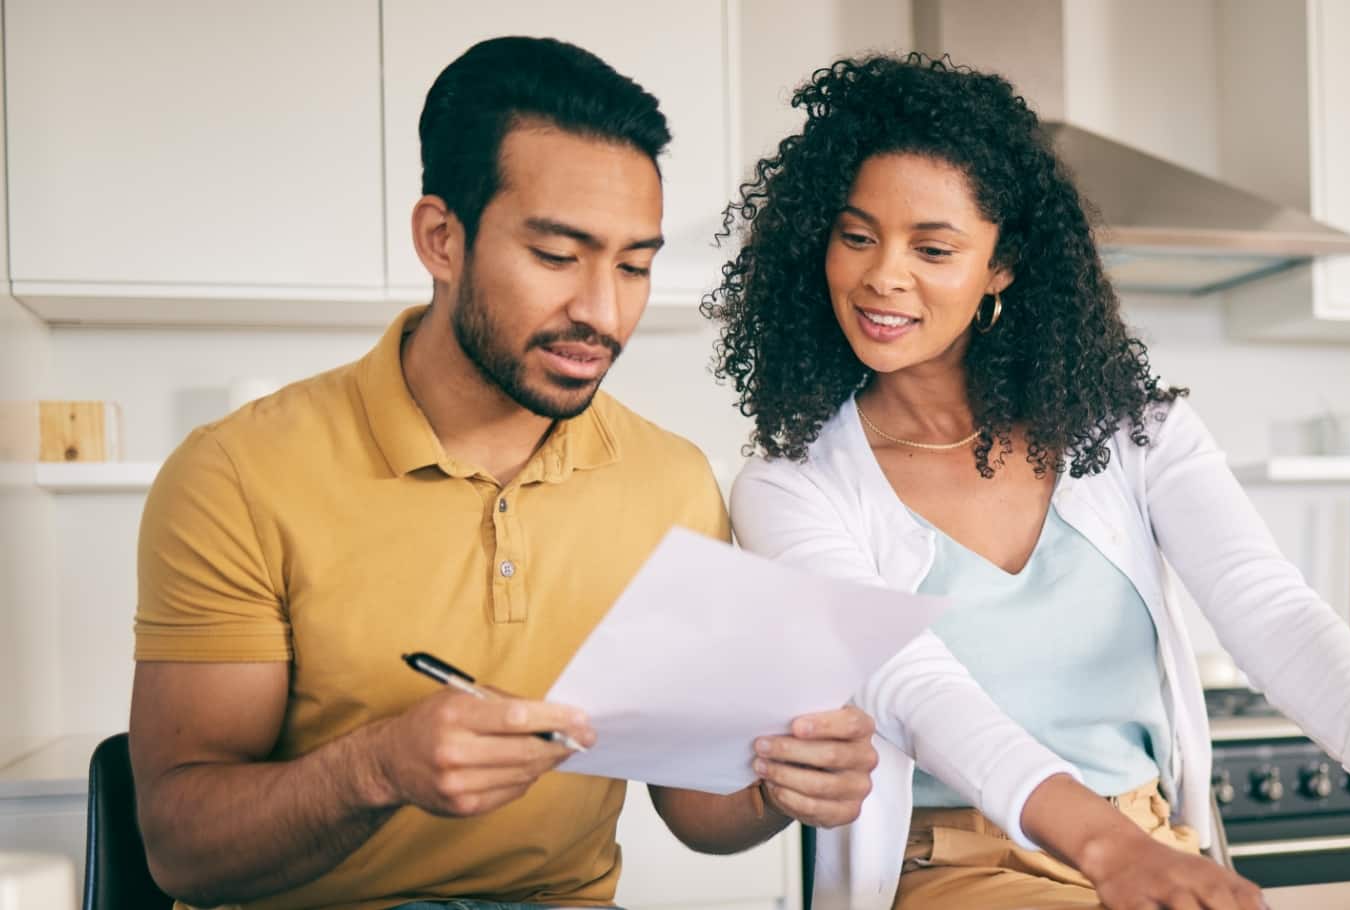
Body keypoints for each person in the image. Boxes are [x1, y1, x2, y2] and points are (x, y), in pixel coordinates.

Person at [707, 54, 1350, 910]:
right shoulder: (793, 484)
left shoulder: (1131, 429)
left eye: (931, 248)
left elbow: (1268, 608)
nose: (882, 277)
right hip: (952, 867)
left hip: (1150, 843)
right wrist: (1101, 844)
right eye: (855, 235)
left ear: (999, 266)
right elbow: (913, 690)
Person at [129, 37, 875, 910]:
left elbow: (695, 808)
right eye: (558, 257)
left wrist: (782, 789)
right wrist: (375, 768)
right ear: (442, 239)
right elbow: (182, 850)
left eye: (634, 265)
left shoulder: (669, 481)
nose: (603, 311)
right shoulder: (237, 474)